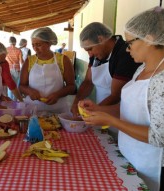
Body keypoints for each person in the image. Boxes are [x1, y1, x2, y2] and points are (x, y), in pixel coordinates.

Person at [79, 7, 164, 191]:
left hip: (152, 164)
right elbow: (127, 107)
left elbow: (159, 137)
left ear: (149, 39)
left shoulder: (162, 78)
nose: (127, 48)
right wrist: (98, 109)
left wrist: (111, 121)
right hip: (130, 156)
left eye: (130, 42)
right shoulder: (142, 69)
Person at [71, 22, 141, 118]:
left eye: (90, 49)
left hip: (119, 115)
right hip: (100, 111)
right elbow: (88, 81)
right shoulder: (96, 55)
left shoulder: (125, 54)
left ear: (101, 39)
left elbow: (116, 95)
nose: (90, 55)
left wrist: (93, 112)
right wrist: (76, 102)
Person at [19, 27, 75, 113]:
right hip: (33, 108)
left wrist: (58, 95)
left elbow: (71, 86)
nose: (35, 48)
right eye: (33, 45)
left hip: (58, 108)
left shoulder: (63, 60)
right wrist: (29, 91)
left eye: (38, 45)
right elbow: (21, 86)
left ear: (49, 43)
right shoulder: (29, 61)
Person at [6, 36, 24, 100]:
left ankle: (10, 100)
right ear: (15, 42)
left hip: (7, 69)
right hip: (16, 70)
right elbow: (21, 62)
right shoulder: (18, 50)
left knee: (9, 86)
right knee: (15, 86)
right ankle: (15, 100)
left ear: (9, 42)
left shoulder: (6, 49)